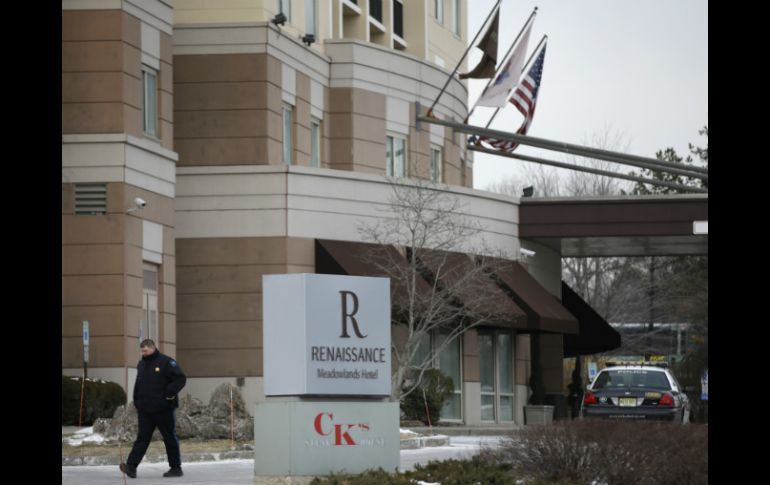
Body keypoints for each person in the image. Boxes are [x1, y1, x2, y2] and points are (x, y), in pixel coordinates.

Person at [119, 339, 187, 479]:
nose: (143, 353)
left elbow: (180, 379)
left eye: (145, 350)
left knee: (169, 438)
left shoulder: (166, 362)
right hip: (145, 410)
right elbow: (138, 385)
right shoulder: (141, 364)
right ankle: (131, 467)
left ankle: (175, 468)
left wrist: (169, 393)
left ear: (152, 348)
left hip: (164, 409)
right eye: (141, 351)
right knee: (142, 438)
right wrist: (137, 401)